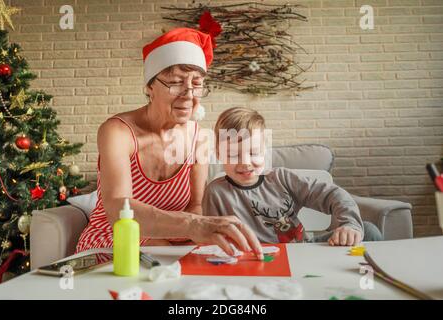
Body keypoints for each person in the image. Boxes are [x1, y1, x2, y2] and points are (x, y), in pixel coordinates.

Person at [75, 28, 263, 260]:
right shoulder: (117, 132)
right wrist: (192, 226)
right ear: (149, 87)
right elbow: (117, 209)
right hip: (112, 241)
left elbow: (195, 205)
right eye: (175, 83)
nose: (189, 95)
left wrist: (203, 233)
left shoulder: (199, 138)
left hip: (170, 244)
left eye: (197, 84)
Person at [203, 107, 383, 246]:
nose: (245, 162)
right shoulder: (215, 192)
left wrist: (349, 224)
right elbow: (212, 238)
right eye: (233, 155)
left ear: (264, 151)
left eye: (253, 153)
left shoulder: (281, 178)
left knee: (369, 230)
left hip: (302, 251)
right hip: (255, 257)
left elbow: (333, 194)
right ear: (218, 153)